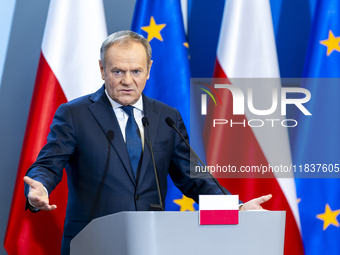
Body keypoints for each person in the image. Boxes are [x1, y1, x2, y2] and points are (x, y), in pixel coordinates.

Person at [24, 30, 272, 255]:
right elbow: (48, 164)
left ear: (149, 69)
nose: (127, 81)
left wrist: (236, 210)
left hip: (151, 243)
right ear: (102, 69)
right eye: (118, 71)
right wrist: (40, 187)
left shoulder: (166, 116)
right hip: (92, 243)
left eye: (136, 71)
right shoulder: (75, 114)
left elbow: (192, 178)